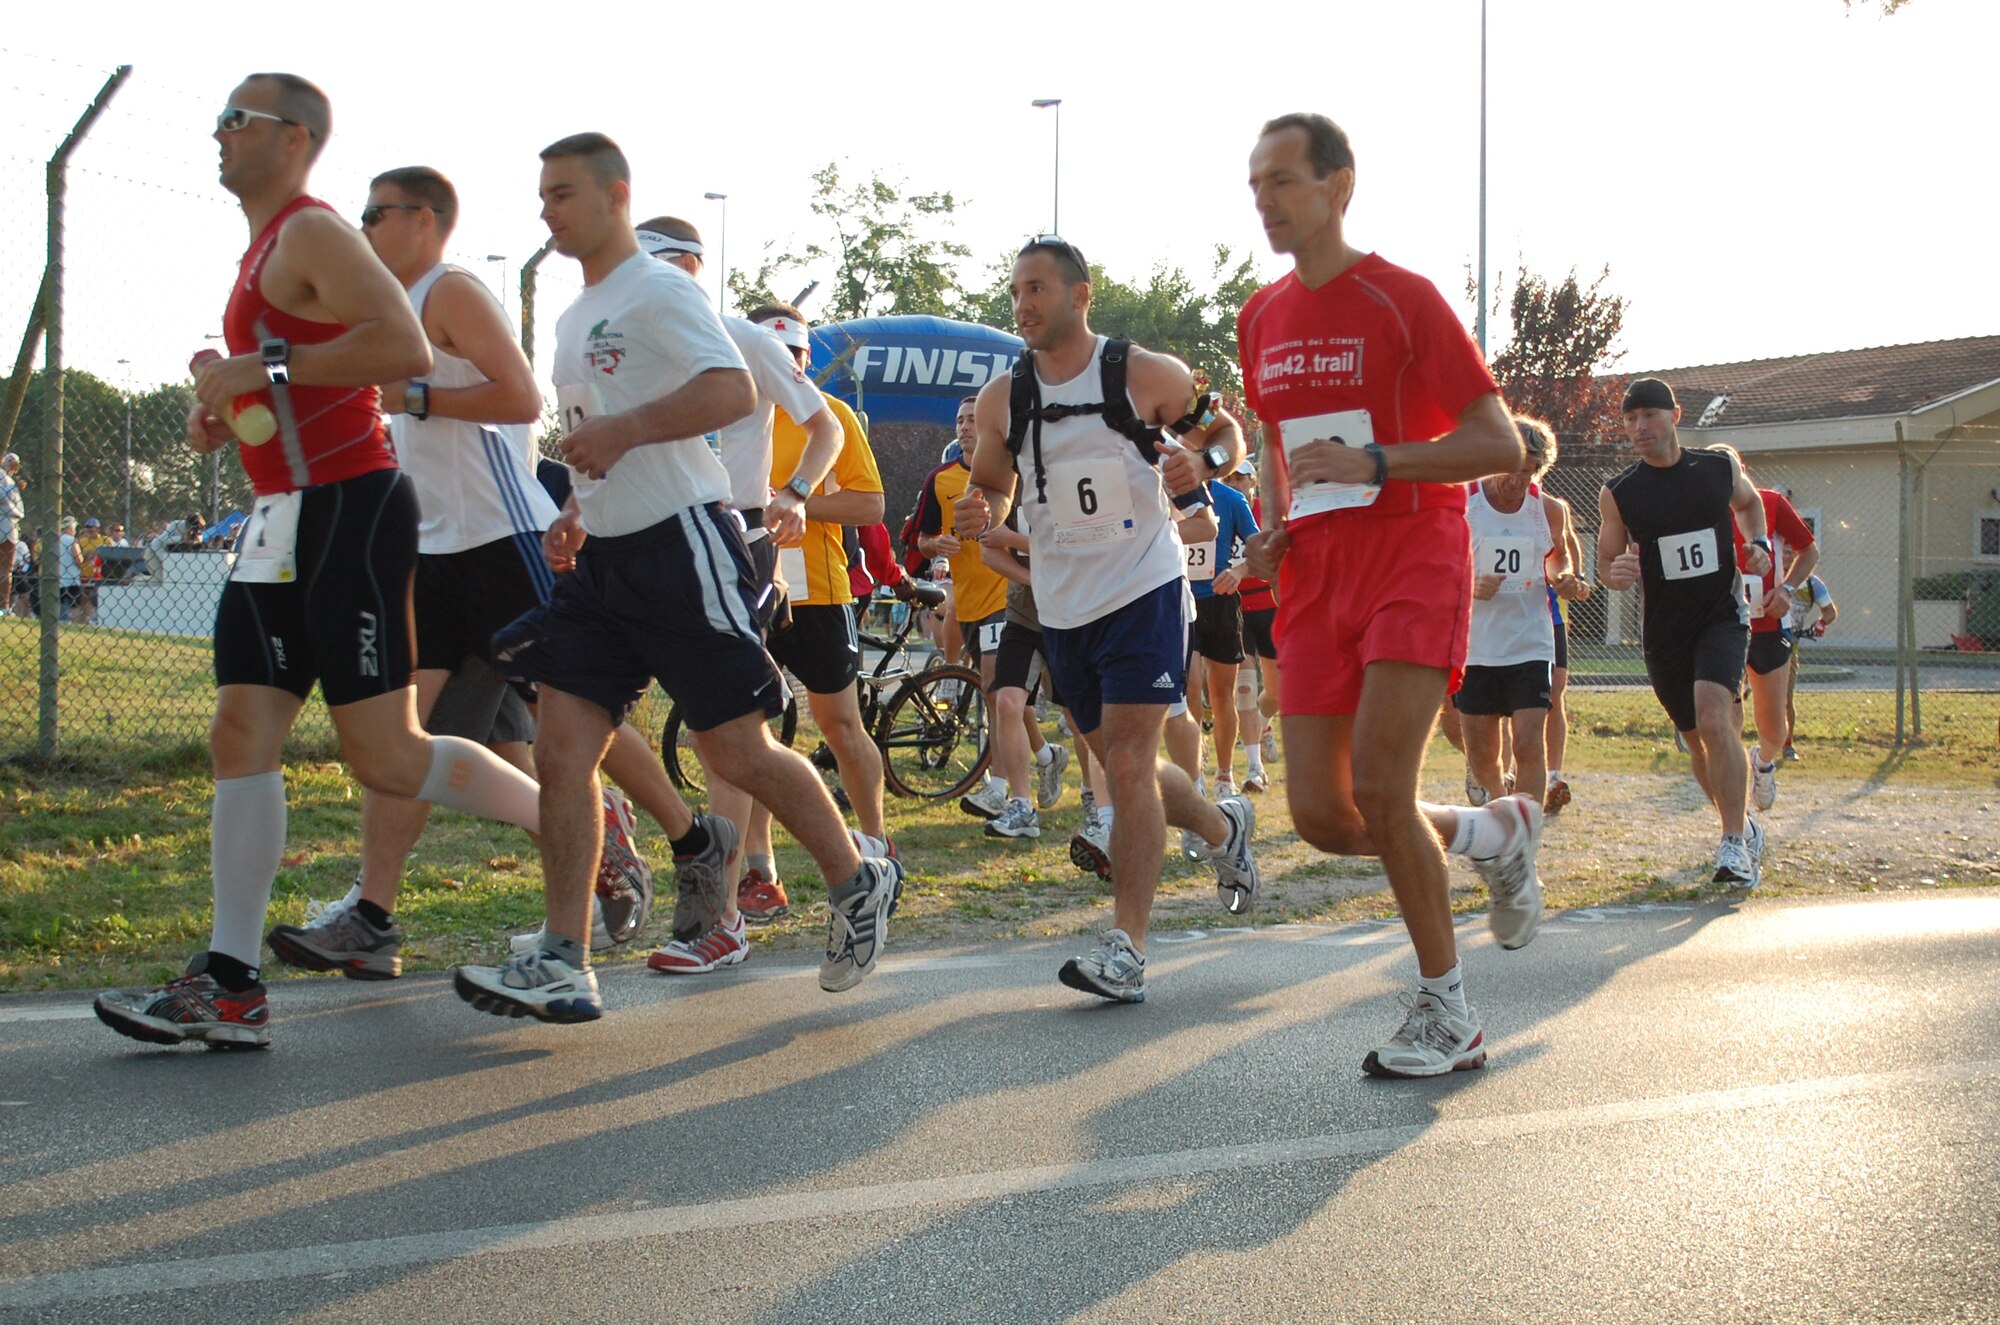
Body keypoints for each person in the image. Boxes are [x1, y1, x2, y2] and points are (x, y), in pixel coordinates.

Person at [93, 73, 548, 1049]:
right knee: (237, 730)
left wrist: (260, 370)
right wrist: (225, 407)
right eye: (216, 116)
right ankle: (228, 979)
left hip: (351, 505)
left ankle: (572, 825)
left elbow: (399, 347)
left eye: (236, 119)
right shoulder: (263, 248)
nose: (216, 132)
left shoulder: (311, 230)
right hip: (280, 516)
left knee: (385, 751)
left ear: (296, 137)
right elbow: (290, 376)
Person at [461, 132, 901, 1020]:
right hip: (606, 562)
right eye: (542, 193)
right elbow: (596, 426)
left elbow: (732, 395)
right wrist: (580, 513)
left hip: (684, 546)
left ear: (617, 195)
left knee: (735, 749)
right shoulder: (574, 315)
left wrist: (627, 436)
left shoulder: (660, 290)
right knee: (561, 745)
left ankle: (858, 879)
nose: (547, 209)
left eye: (564, 192)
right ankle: (563, 956)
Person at [265, 164, 683, 982]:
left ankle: (685, 836)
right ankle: (374, 915)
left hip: (502, 540)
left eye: (374, 213)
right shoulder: (381, 308)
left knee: (578, 712)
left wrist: (415, 397)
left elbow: (523, 398)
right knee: (405, 739)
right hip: (432, 548)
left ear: (423, 220)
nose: (362, 227)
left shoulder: (448, 292)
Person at [1237, 112, 1543, 1079]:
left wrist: (1380, 459)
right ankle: (1492, 833)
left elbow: (1502, 444)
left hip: (1413, 550)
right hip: (1315, 570)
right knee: (1325, 818)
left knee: (1380, 786)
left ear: (1340, 185)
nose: (1266, 199)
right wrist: (1273, 524)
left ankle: (1449, 1012)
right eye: (1256, 184)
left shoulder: (1402, 299)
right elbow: (1281, 447)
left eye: (1283, 179)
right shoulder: (1260, 315)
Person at [954, 234, 1261, 1005]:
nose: (1022, 304)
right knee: (1127, 764)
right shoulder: (1006, 397)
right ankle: (1225, 830)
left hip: (1144, 588)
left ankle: (1126, 946)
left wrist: (1208, 466)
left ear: (1079, 294)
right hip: (1063, 604)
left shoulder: (1139, 373)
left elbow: (1228, 433)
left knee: (1125, 767)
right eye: (1015, 290)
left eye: (1037, 288)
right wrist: (978, 507)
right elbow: (992, 486)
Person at [635, 220, 840, 937]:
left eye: (656, 264)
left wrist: (796, 492)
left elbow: (828, 430)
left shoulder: (744, 338)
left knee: (724, 732)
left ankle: (729, 910)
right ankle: (581, 914)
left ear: (693, 267)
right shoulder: (628, 342)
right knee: (581, 712)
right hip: (642, 535)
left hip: (734, 537)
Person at [1599, 377, 1772, 886]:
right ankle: (1741, 825)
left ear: (1675, 415)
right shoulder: (1622, 492)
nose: (1639, 427)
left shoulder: (1717, 468)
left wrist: (1757, 540)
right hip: (1665, 632)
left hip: (1721, 616)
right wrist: (1616, 574)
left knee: (1715, 718)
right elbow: (1608, 561)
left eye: (1649, 415)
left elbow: (1750, 503)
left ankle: (1733, 846)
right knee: (1697, 741)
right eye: (1630, 419)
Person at [1455, 418, 1578, 807]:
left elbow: (1560, 558)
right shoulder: (1464, 501)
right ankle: (1497, 811)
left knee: (1528, 743)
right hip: (1477, 645)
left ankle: (1525, 830)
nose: (1517, 483)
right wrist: (1469, 584)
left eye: (1528, 473)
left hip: (1530, 640)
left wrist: (1567, 578)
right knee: (1482, 754)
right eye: (1511, 470)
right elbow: (1435, 564)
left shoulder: (1548, 509)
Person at [918, 397, 1016, 818]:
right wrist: (935, 546)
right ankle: (1046, 757)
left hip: (1005, 596)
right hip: (967, 601)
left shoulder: (1012, 473)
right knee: (1011, 701)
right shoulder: (940, 479)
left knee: (997, 691)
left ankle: (1000, 786)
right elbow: (920, 539)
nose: (964, 427)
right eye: (959, 420)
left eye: (973, 420)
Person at [1714, 448, 1818, 812]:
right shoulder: (1702, 509)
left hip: (1770, 625)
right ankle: (1736, 808)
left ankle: (1762, 763)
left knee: (1773, 730)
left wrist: (1786, 589)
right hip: (1723, 626)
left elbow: (1809, 551)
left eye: (1731, 474)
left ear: (1743, 474)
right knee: (1729, 720)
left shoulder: (1770, 503)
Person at [1185, 463, 1260, 798]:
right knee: (1189, 685)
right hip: (1180, 601)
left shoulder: (1230, 499)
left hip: (1221, 602)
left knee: (1221, 694)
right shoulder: (1169, 498)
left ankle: (1225, 774)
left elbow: (1260, 550)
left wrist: (1240, 571)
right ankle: (1194, 774)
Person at [1225, 459, 1281, 791]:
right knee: (1244, 689)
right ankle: (1254, 769)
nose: (1234, 483)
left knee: (1278, 694)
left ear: (1253, 482)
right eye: (1229, 477)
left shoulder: (1264, 513)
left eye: (1241, 478)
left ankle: (1261, 728)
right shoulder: (1218, 508)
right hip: (1235, 608)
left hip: (1271, 608)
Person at [1540, 489, 1591, 814]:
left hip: (1550, 613)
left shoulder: (1553, 507)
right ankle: (1506, 771)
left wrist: (1577, 578)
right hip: (1501, 615)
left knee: (1555, 692)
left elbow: (1569, 544)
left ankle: (1553, 776)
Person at [1784, 573, 1838, 760]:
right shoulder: (1770, 572)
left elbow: (1830, 612)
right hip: (1757, 639)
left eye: (1792, 552)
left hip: (1789, 645)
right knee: (1737, 694)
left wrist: (1821, 624)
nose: (1787, 557)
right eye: (1784, 551)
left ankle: (1787, 744)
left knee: (1785, 698)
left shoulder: (1812, 583)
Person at [0, 453, 21, 615]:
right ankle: (4, 606)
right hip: (5, 525)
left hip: (10, 528)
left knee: (6, 570)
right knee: (5, 570)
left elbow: (21, 512)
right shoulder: (4, 479)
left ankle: (4, 606)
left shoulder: (12, 482)